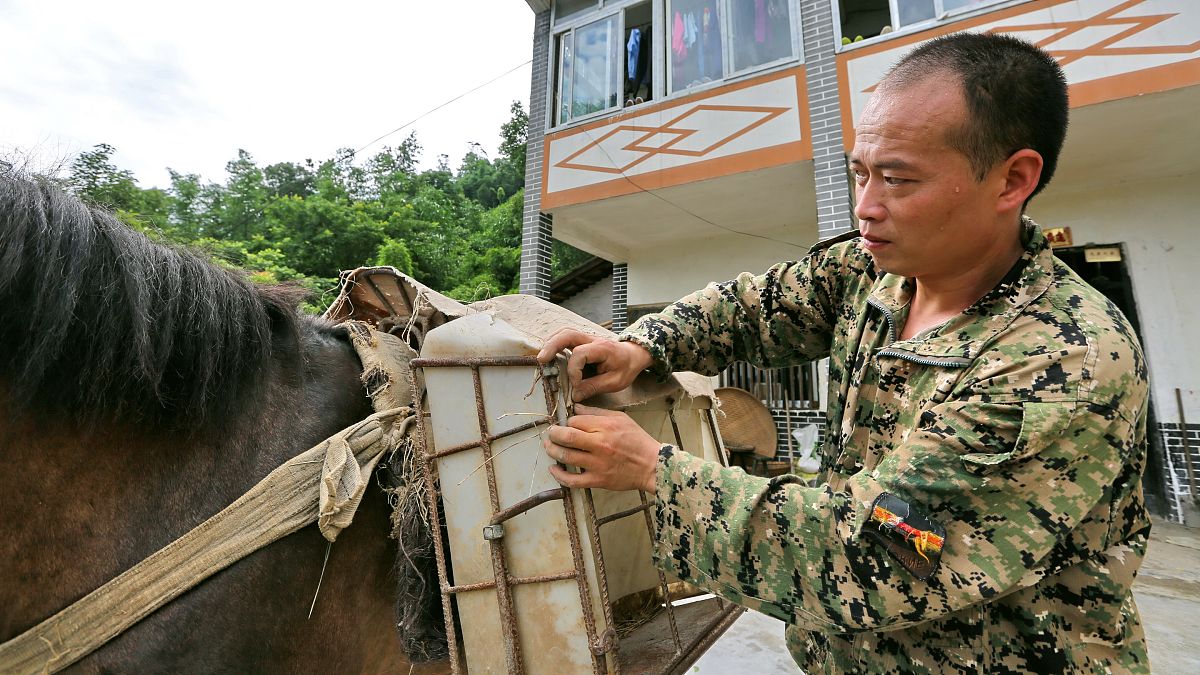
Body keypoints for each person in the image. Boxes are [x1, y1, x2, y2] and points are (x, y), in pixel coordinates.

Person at [537, 32, 1151, 673]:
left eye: (898, 179)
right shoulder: (874, 270)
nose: (865, 208)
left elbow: (882, 556)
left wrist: (654, 472)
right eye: (861, 172)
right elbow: (754, 306)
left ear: (1012, 180)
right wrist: (642, 343)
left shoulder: (1063, 359)